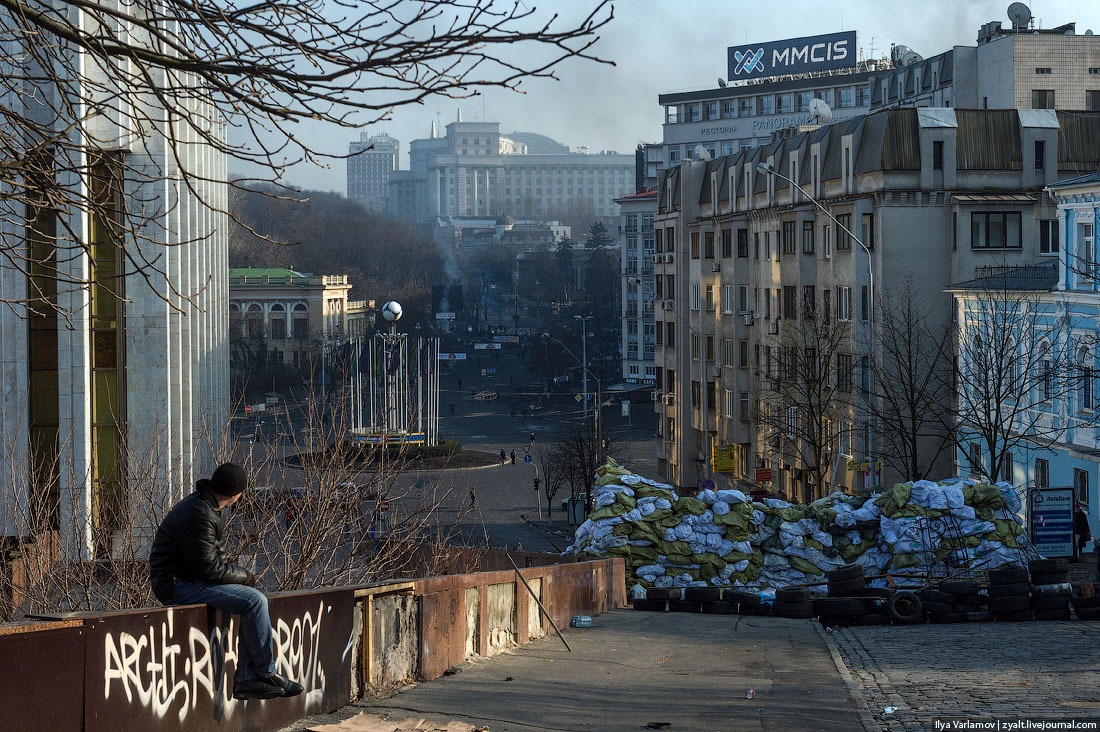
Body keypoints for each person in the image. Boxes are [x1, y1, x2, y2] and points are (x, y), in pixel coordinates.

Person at [149, 463, 303, 701]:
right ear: (235, 495)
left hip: (188, 578)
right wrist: (246, 577)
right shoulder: (201, 513)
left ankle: (247, 679)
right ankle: (262, 674)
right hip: (178, 585)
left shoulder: (208, 505)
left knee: (249, 598)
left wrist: (239, 579)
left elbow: (212, 557)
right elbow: (209, 568)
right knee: (254, 600)